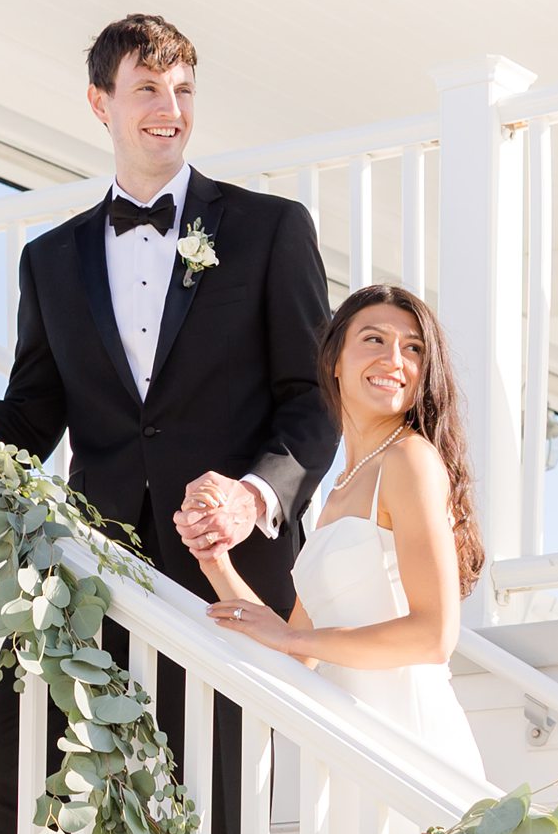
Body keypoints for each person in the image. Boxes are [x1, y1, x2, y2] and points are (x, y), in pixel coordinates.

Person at [0, 14, 335, 834]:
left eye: (183, 89)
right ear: (100, 102)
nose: (168, 110)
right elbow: (36, 413)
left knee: (219, 818)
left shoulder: (270, 232)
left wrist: (257, 492)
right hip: (93, 570)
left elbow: (311, 400)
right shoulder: (51, 261)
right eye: (146, 89)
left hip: (222, 576)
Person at [180, 281, 489, 790]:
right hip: (350, 753)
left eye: (413, 348)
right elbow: (298, 655)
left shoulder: (409, 460)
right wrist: (215, 560)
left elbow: (434, 636)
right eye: (374, 339)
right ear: (334, 362)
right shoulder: (340, 488)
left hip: (410, 745)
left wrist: (290, 634)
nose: (395, 358)